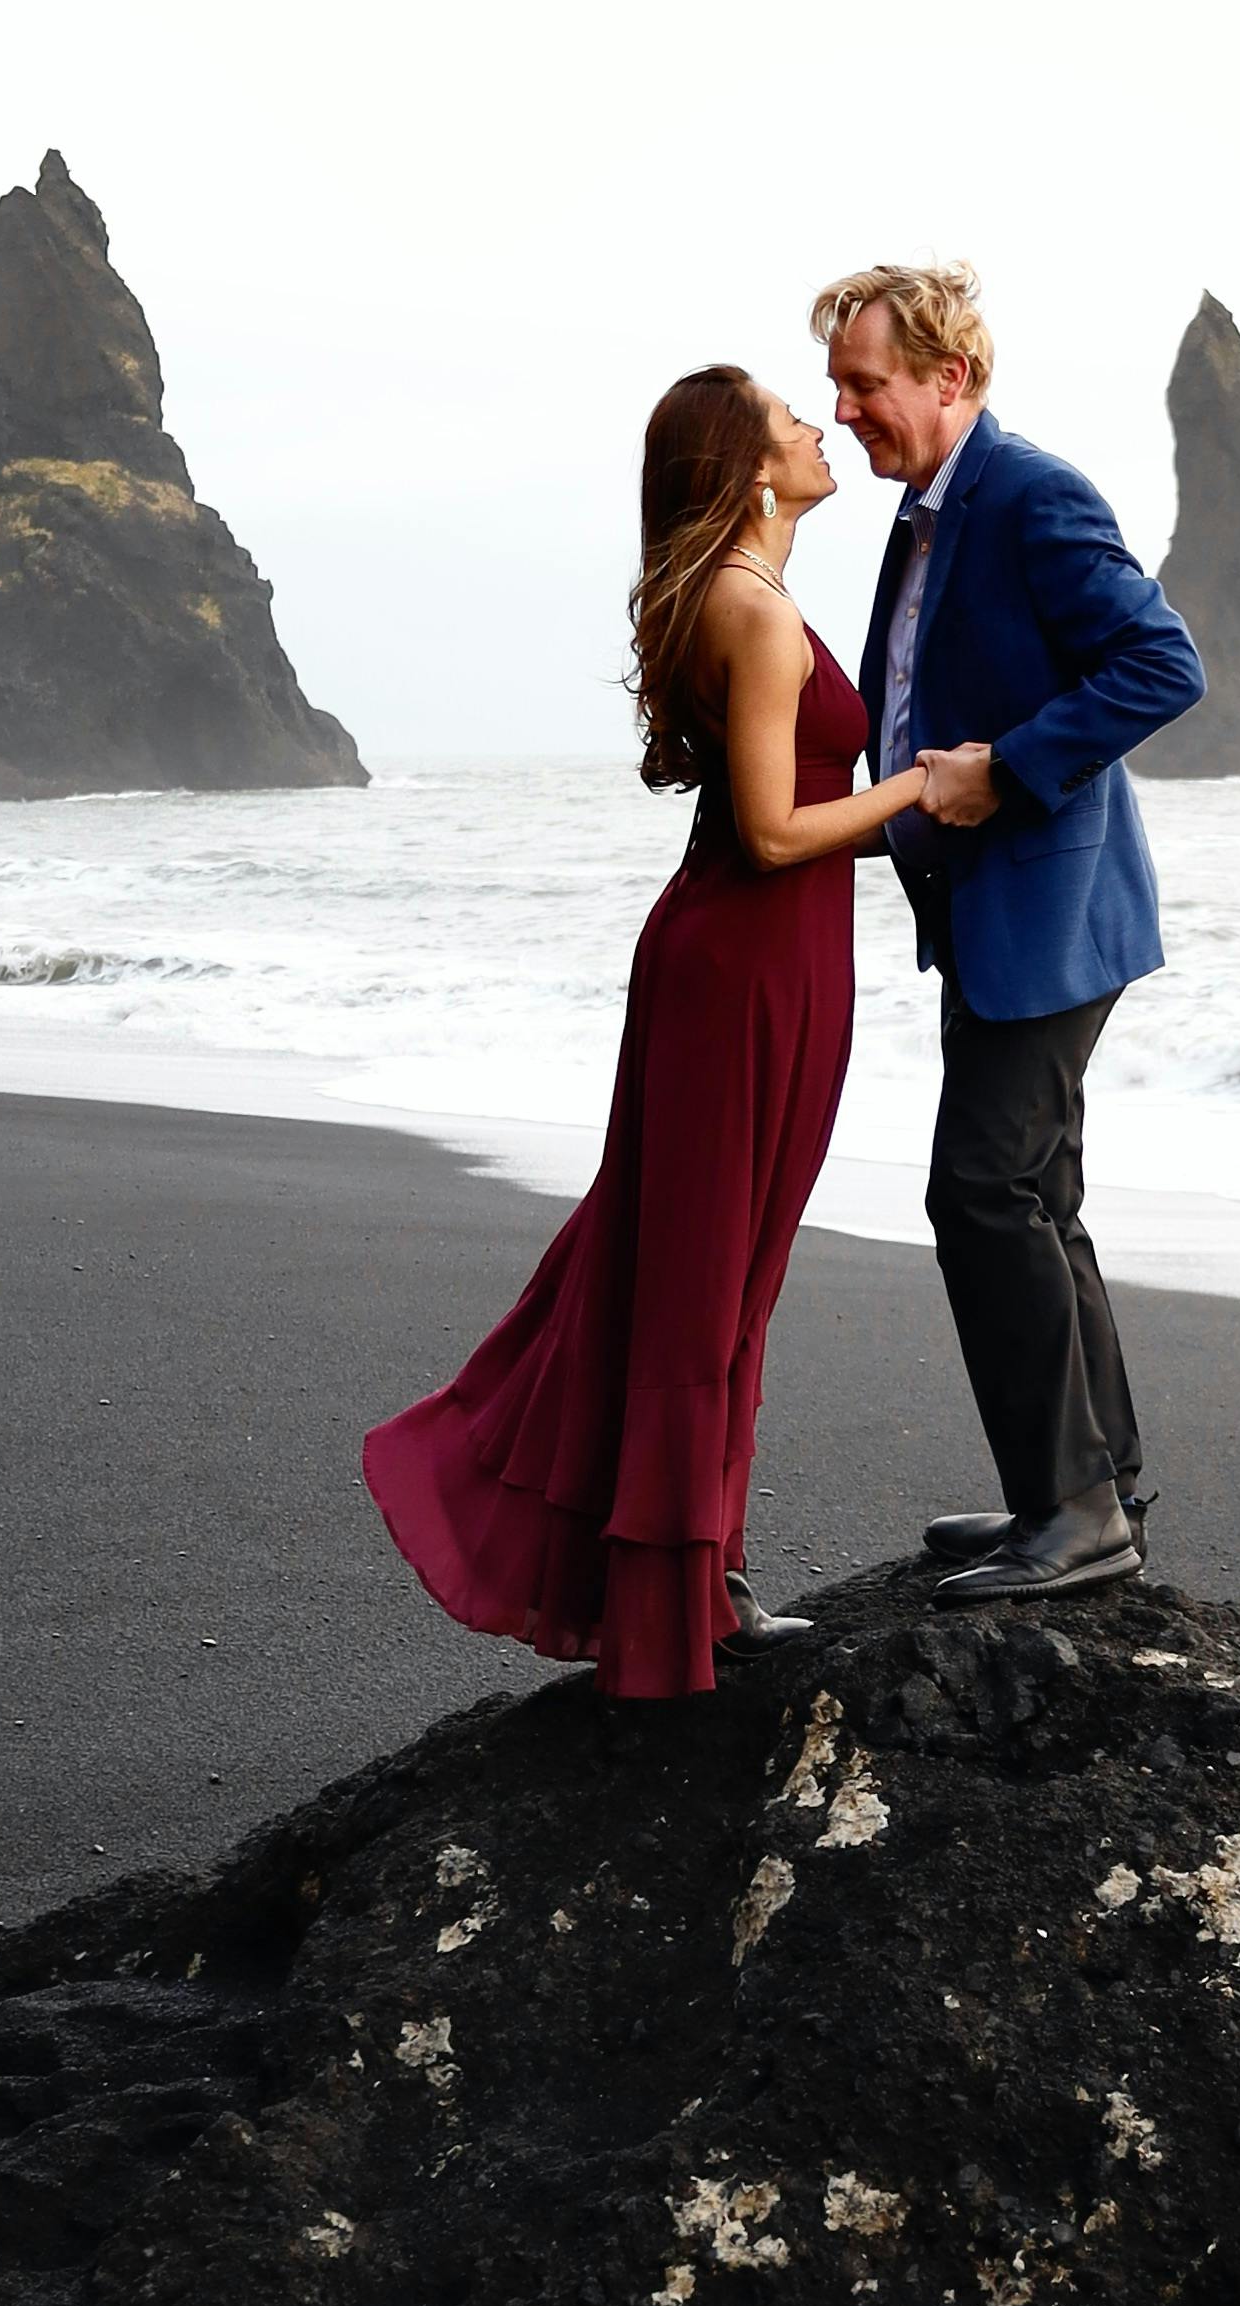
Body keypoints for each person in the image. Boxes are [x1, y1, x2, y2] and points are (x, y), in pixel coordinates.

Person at [361, 367, 953, 1697]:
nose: (816, 426)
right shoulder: (747, 612)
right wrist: (923, 788)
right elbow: (770, 829)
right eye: (790, 419)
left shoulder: (758, 599)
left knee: (727, 1274)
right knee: (693, 1284)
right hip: (738, 963)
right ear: (750, 470)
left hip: (777, 961)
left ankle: (703, 1574)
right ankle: (667, 1609)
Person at [812, 263, 1206, 1606]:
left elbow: (1162, 664)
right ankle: (1086, 1494)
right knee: (1037, 1195)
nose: (847, 408)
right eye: (839, 388)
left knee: (977, 1190)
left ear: (947, 378)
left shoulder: (1027, 493)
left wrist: (1007, 768)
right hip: (992, 912)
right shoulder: (925, 515)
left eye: (865, 384)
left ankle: (1077, 1508)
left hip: (1051, 902)